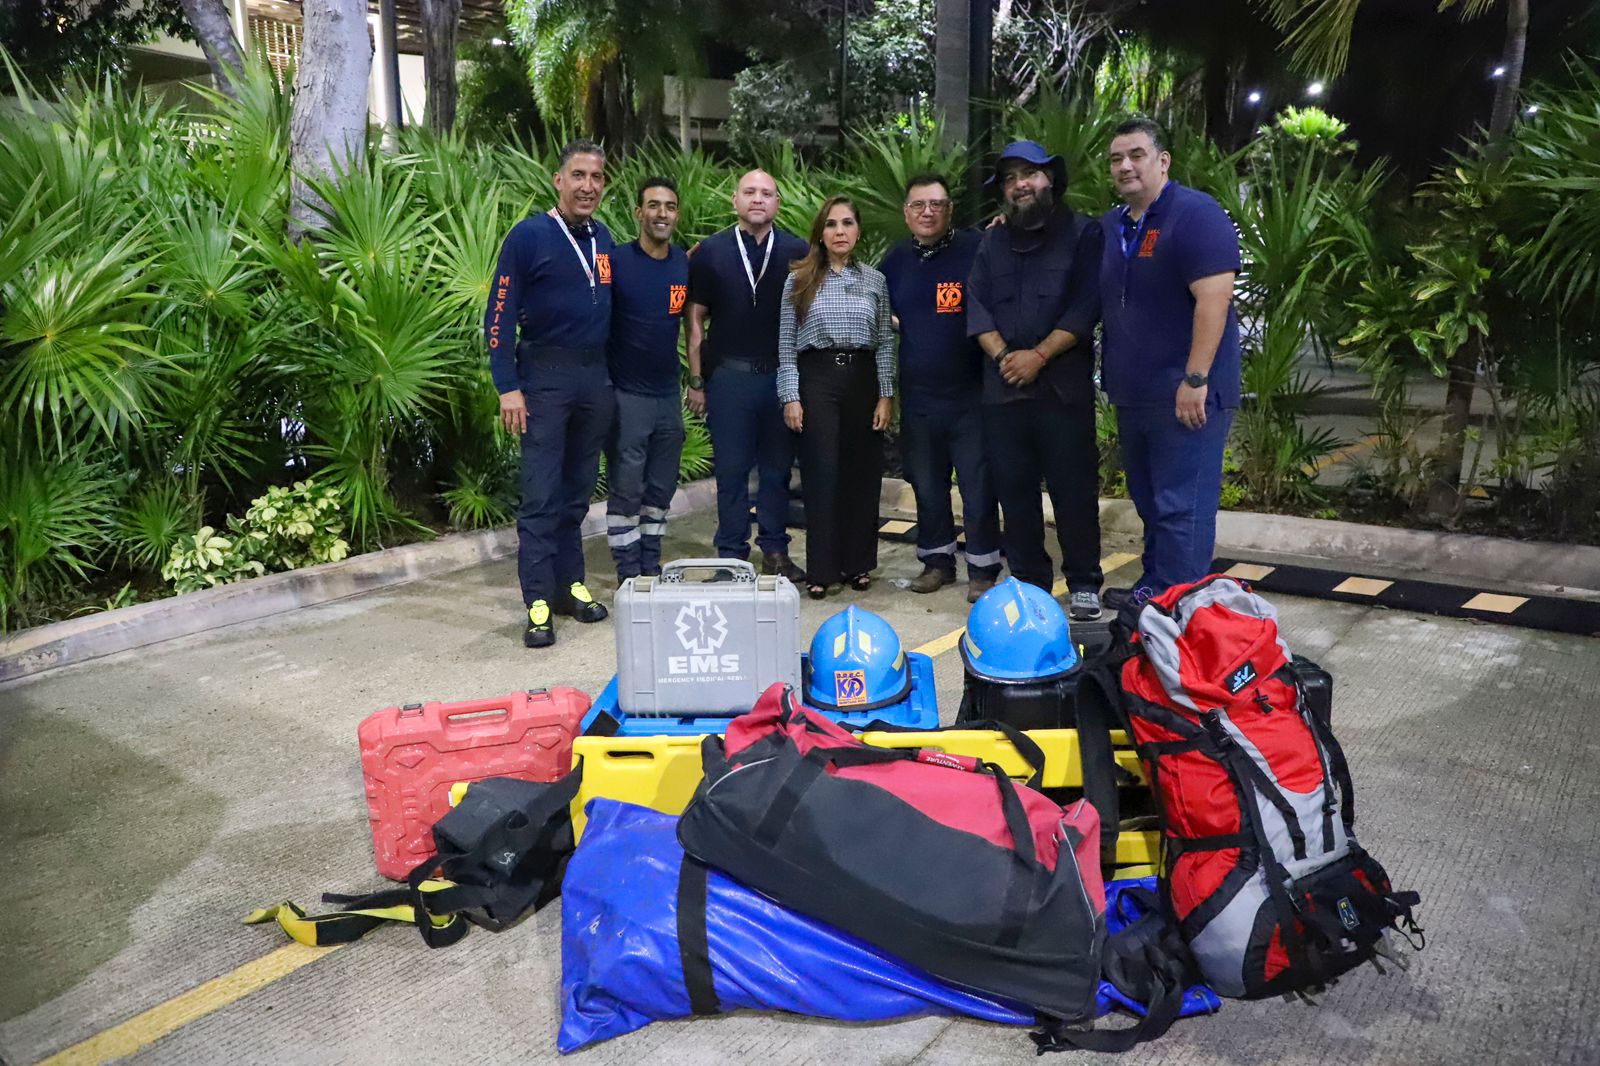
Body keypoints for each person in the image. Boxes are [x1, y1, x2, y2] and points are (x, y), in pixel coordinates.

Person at [1098, 117, 1241, 610]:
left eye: (1136, 155)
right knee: (1151, 502)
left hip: (1188, 394)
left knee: (1183, 508)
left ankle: (1182, 607)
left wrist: (1195, 377)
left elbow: (1214, 299)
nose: (1125, 166)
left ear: (1163, 161)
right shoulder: (1113, 226)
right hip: (1134, 394)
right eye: (1116, 158)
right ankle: (1154, 589)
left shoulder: (1195, 215)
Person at [966, 140, 1105, 621]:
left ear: (1050, 179)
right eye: (1009, 179)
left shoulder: (1085, 234)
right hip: (1004, 392)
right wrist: (1006, 357)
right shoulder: (991, 241)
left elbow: (1087, 306)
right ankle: (1028, 584)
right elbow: (976, 307)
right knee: (1015, 494)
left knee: (1074, 492)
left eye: (1028, 174)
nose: (1019, 184)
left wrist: (1040, 355)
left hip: (1063, 392)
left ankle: (1084, 582)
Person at [484, 138, 615, 649]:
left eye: (596, 178)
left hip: (593, 376)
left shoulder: (603, 238)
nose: (587, 186)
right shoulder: (528, 236)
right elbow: (498, 315)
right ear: (558, 180)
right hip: (543, 376)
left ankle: (569, 585)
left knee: (577, 490)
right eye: (578, 175)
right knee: (541, 492)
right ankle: (537, 599)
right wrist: (508, 387)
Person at [878, 173, 1003, 604]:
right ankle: (937, 562)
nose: (927, 212)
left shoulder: (977, 248)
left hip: (971, 395)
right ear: (906, 213)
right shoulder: (895, 261)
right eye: (918, 205)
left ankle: (983, 569)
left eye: (936, 204)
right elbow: (876, 308)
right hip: (919, 397)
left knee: (977, 486)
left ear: (949, 209)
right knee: (927, 485)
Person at [685, 170, 811, 581]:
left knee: (777, 471)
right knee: (732, 472)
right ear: (735, 200)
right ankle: (731, 557)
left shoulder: (798, 251)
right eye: (749, 192)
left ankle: (775, 551)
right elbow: (695, 319)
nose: (758, 199)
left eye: (766, 193)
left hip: (778, 378)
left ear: (777, 203)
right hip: (729, 379)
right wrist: (697, 380)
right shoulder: (711, 252)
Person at [777, 196, 895, 599]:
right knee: (822, 474)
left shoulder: (875, 281)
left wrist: (885, 394)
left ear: (857, 231)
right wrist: (790, 396)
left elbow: (885, 341)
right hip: (818, 380)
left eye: (847, 223)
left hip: (863, 379)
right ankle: (822, 569)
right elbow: (786, 344)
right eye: (831, 224)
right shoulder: (799, 278)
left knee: (861, 476)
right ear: (820, 233)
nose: (839, 231)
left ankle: (858, 563)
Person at [604, 177, 689, 582]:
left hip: (667, 396)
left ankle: (651, 565)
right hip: (626, 395)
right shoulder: (616, 261)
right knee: (627, 488)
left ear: (677, 215)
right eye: (653, 205)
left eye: (669, 206)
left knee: (660, 487)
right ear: (639, 213)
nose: (662, 213)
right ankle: (628, 571)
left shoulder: (683, 264)